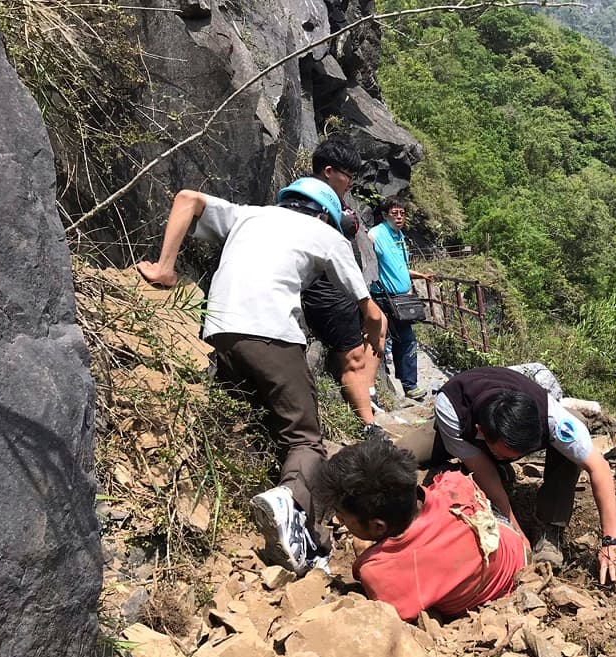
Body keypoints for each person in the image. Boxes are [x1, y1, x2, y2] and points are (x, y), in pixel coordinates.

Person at [138, 178, 386, 576]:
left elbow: (186, 198)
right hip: (271, 334)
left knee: (260, 419)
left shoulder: (248, 215)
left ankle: (261, 502)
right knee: (305, 439)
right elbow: (369, 309)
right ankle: (294, 513)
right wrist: (376, 330)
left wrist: (165, 268)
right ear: (325, 214)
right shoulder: (325, 233)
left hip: (219, 332)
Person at [395, 366, 616, 584]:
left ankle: (550, 527)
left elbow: (599, 468)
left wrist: (611, 540)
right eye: (506, 455)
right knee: (399, 456)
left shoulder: (553, 419)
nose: (515, 458)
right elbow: (484, 471)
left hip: (500, 431)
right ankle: (486, 468)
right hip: (459, 428)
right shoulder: (451, 407)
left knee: (573, 446)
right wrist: (517, 534)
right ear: (481, 433)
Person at [319, 440, 528, 621]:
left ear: (378, 526)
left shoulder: (377, 570)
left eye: (342, 516)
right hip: (515, 549)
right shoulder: (454, 483)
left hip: (499, 595)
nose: (339, 520)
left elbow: (397, 615)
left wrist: (366, 554)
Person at [301, 138, 385, 440]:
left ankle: (368, 391)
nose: (350, 182)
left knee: (380, 324)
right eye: (347, 175)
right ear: (328, 171)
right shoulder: (308, 201)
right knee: (352, 358)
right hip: (326, 290)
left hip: (346, 287)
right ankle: (368, 424)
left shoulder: (333, 201)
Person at [369, 196, 430, 400]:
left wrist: (419, 275)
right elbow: (368, 257)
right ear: (385, 215)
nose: (399, 217)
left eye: (402, 213)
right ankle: (402, 386)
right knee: (399, 340)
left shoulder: (399, 236)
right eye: (394, 213)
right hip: (384, 298)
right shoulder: (377, 234)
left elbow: (400, 267)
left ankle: (406, 384)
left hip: (401, 299)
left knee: (402, 340)